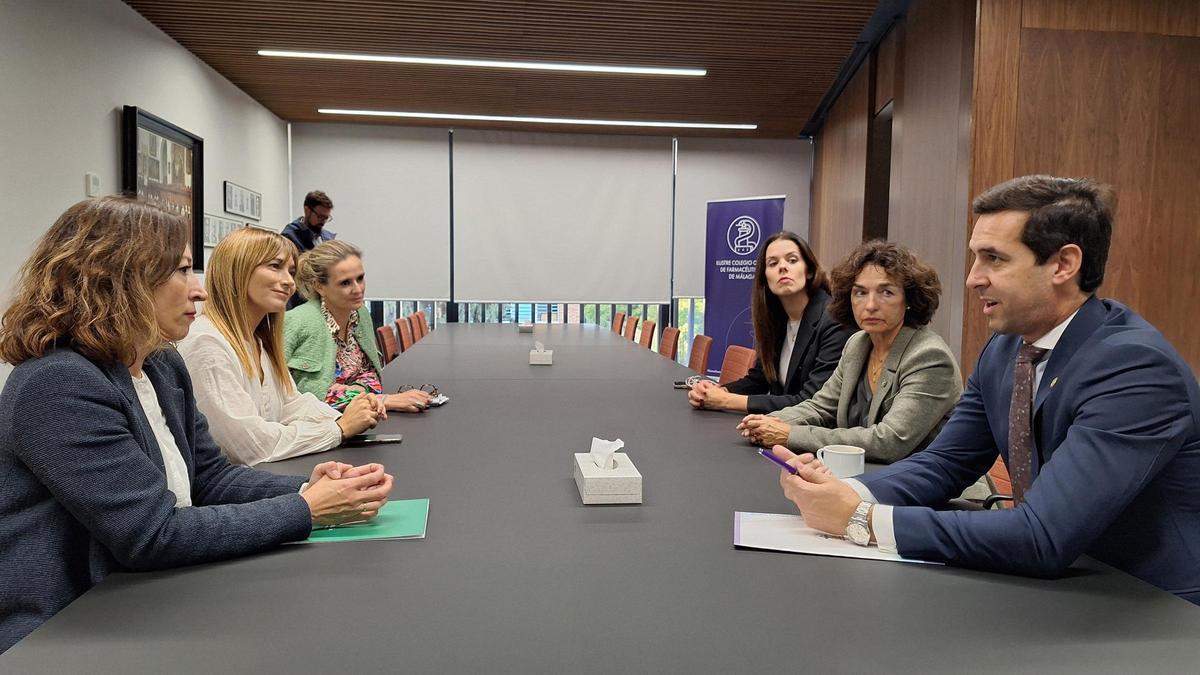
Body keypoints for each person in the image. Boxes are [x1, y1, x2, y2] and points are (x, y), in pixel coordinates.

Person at [771, 175, 1200, 604]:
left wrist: (862, 520)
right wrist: (848, 492)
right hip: (1065, 587)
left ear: (1064, 265)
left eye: (994, 259)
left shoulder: (1135, 368)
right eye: (976, 258)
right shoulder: (1005, 348)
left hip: (1150, 606)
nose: (973, 278)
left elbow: (1042, 535)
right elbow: (945, 463)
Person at [0, 197, 395, 653]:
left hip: (145, 598)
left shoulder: (161, 364)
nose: (199, 291)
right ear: (118, 279)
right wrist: (307, 509)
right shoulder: (58, 383)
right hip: (67, 632)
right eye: (181, 271)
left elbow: (209, 478)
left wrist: (311, 487)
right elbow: (151, 534)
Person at [738, 241, 962, 463]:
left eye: (886, 292)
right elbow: (820, 407)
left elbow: (888, 442)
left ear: (909, 300)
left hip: (924, 481)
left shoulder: (929, 356)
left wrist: (790, 435)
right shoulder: (858, 344)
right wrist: (768, 422)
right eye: (860, 293)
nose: (870, 305)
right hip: (866, 472)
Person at [178, 228, 386, 466]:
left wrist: (346, 416)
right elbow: (250, 446)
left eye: (291, 271)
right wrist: (339, 428)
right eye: (275, 266)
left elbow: (291, 404)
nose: (289, 282)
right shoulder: (207, 345)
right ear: (238, 269)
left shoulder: (257, 341)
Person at [688, 231, 852, 413]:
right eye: (773, 263)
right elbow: (760, 379)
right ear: (765, 278)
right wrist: (717, 391)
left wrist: (725, 401)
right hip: (778, 424)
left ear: (809, 271)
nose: (783, 267)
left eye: (792, 260)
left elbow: (811, 401)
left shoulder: (833, 319)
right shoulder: (777, 319)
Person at [285, 240, 431, 412]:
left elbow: (371, 373)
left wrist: (357, 390)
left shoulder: (360, 313)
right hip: (316, 424)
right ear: (319, 286)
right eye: (345, 283)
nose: (358, 289)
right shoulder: (297, 321)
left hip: (357, 417)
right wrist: (383, 400)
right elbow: (299, 396)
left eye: (360, 278)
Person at [281, 190, 336, 309]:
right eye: (320, 216)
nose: (323, 222)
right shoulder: (289, 237)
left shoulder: (327, 237)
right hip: (302, 301)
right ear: (307, 210)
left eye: (326, 218)